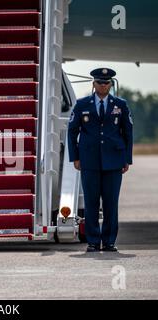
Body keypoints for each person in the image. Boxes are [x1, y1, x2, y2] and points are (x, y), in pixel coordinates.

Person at [68, 68, 133, 253]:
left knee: (111, 203)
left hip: (114, 161)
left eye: (106, 83)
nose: (103, 86)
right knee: (91, 203)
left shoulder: (121, 104)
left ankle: (110, 241)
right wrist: (75, 157)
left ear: (111, 84)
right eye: (99, 82)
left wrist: (127, 159)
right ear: (93, 84)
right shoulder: (82, 104)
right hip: (89, 161)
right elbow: (72, 132)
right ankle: (93, 242)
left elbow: (128, 132)